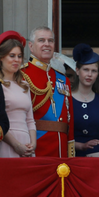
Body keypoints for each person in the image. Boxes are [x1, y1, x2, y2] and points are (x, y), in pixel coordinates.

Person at [21, 26, 74, 157]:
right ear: (31, 46)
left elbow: (69, 118)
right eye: (41, 40)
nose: (47, 44)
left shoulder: (63, 79)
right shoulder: (21, 75)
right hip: (35, 146)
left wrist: (70, 149)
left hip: (60, 149)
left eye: (50, 41)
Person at [0, 31, 36, 158]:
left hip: (26, 143)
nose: (17, 60)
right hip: (6, 142)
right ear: (1, 58)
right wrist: (16, 145)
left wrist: (33, 144)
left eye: (19, 56)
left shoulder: (25, 85)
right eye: (12, 56)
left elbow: (30, 120)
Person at [71, 43, 99, 157]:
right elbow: (60, 136)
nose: (89, 74)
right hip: (70, 161)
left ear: (97, 73)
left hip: (97, 159)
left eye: (94, 71)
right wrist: (80, 146)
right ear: (77, 71)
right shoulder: (66, 99)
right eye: (86, 69)